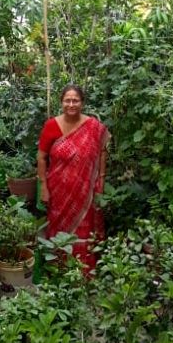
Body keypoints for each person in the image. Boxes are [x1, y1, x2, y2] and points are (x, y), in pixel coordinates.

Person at [37, 84, 110, 273]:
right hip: (58, 191)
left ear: (82, 103)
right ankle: (59, 270)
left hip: (86, 191)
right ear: (61, 103)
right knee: (59, 229)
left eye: (75, 100)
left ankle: (84, 272)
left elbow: (103, 150)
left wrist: (101, 178)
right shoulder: (51, 125)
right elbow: (41, 157)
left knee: (84, 231)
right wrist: (43, 187)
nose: (71, 104)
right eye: (67, 100)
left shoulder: (93, 126)